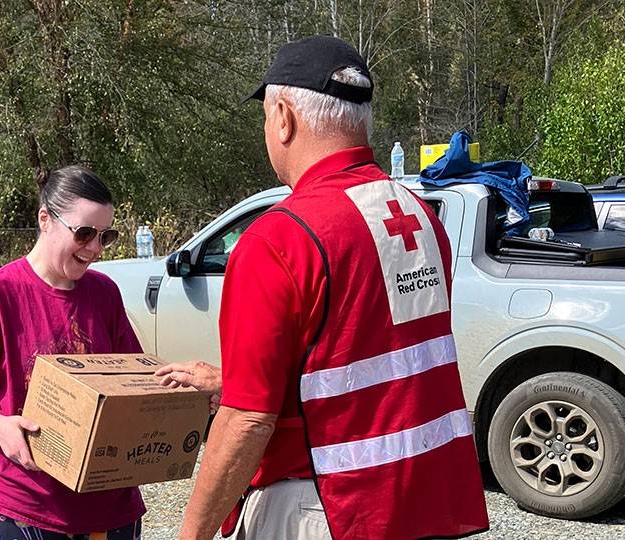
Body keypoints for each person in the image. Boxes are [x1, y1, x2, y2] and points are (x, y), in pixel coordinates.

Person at [165, 36, 490, 540]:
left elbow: (249, 421)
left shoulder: (280, 238)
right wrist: (232, 381)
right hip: (421, 497)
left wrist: (191, 535)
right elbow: (362, 360)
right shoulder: (418, 215)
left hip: (327, 507)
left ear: (283, 118)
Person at [0, 165, 145, 539]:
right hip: (23, 503)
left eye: (106, 236)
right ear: (45, 220)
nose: (95, 248)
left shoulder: (105, 294)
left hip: (109, 504)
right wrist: (0, 426)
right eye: (84, 233)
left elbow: (130, 378)